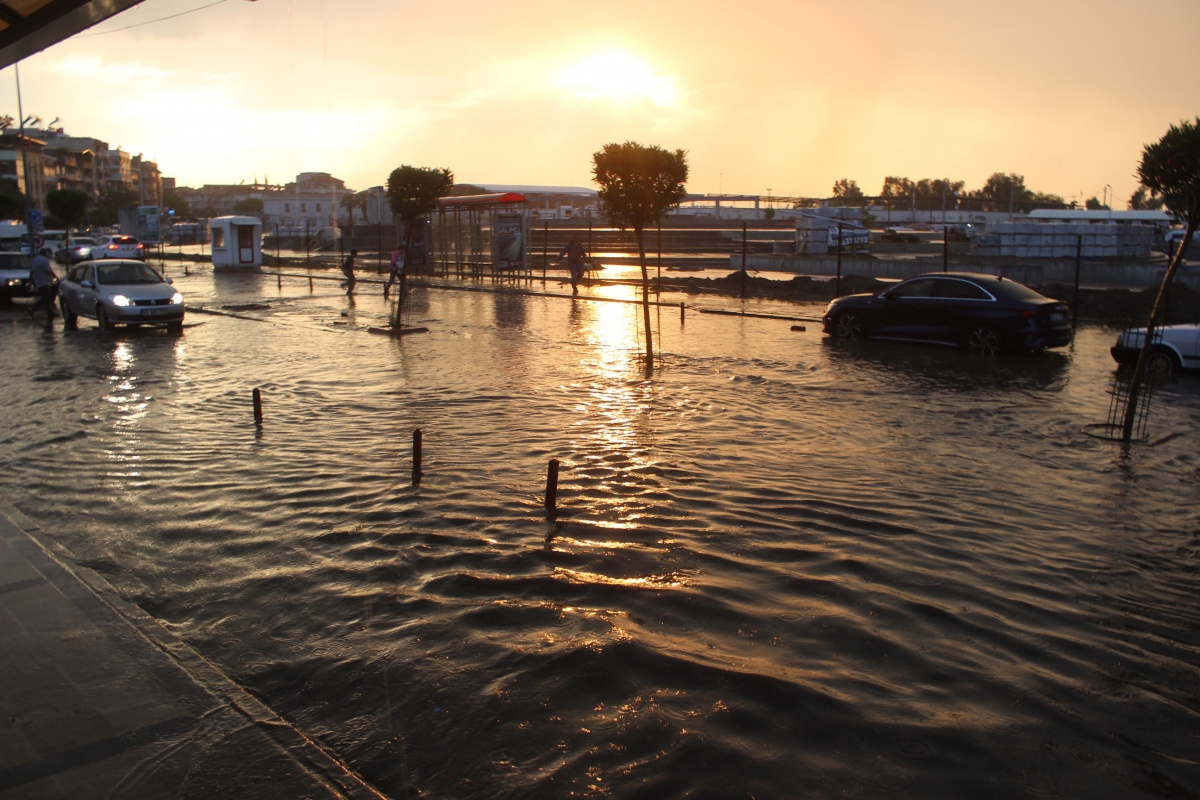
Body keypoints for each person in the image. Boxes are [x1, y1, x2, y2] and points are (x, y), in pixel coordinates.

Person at [28, 247, 58, 321]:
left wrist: (30, 283)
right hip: (45, 282)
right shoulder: (44, 260)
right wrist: (56, 277)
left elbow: (31, 274)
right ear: (45, 254)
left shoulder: (34, 260)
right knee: (46, 298)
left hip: (38, 282)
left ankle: (49, 313)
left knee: (47, 298)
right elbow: (49, 271)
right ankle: (32, 308)